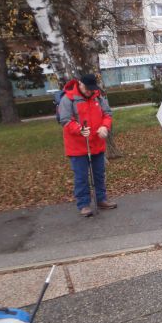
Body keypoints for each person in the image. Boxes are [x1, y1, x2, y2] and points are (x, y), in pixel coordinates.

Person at [58, 74, 115, 217]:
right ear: (80, 84)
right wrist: (79, 130)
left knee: (99, 174)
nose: (90, 92)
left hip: (96, 143)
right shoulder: (68, 99)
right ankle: (83, 204)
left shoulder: (98, 97)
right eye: (87, 89)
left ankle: (101, 199)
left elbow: (107, 114)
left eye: (92, 89)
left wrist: (105, 127)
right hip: (77, 146)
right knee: (81, 176)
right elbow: (65, 121)